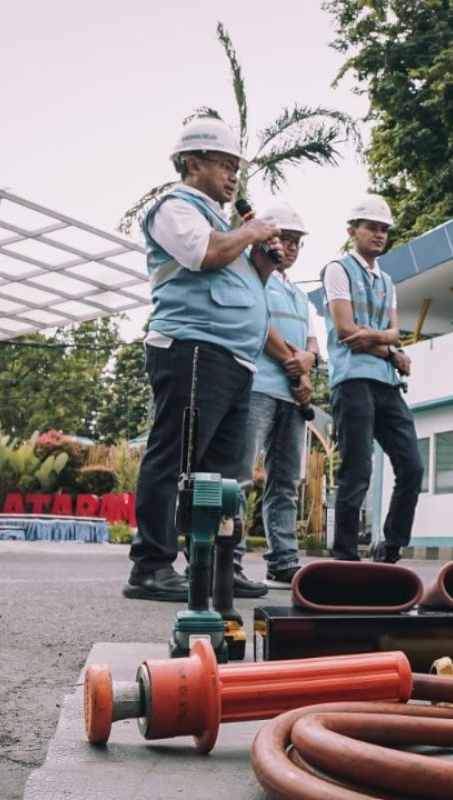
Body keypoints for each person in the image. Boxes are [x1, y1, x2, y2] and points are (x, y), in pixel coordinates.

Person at [123, 117, 278, 602]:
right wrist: (250, 233)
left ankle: (214, 567)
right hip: (192, 349)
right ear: (194, 164)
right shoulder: (176, 207)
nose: (234, 176)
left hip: (232, 361)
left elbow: (233, 274)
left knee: (221, 476)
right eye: (224, 165)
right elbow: (203, 255)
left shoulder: (220, 221)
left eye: (236, 167)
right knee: (173, 459)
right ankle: (150, 565)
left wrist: (263, 263)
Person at [321, 195, 423, 562]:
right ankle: (345, 557)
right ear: (353, 231)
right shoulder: (337, 269)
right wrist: (391, 346)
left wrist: (381, 341)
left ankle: (390, 547)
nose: (380, 234)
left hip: (386, 383)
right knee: (357, 467)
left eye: (384, 229)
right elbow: (348, 332)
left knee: (412, 465)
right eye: (372, 227)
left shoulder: (388, 280)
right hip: (352, 382)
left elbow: (394, 332)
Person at [235, 202, 318, 588]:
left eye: (297, 241)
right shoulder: (256, 277)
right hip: (261, 388)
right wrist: (296, 366)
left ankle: (283, 560)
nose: (291, 247)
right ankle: (229, 559)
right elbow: (262, 327)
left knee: (284, 483)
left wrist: (308, 361)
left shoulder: (300, 295)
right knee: (240, 477)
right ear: (269, 238)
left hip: (291, 396)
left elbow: (314, 343)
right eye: (286, 238)